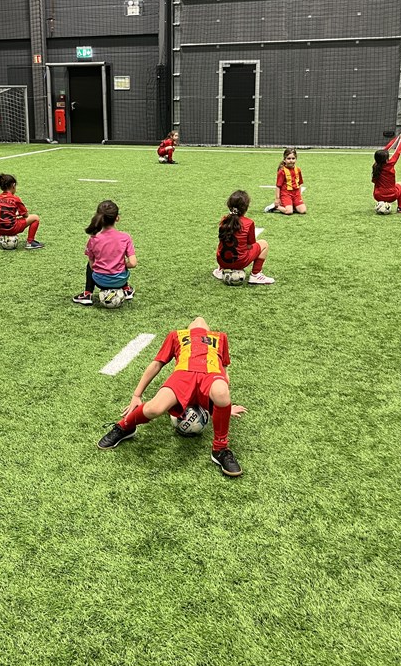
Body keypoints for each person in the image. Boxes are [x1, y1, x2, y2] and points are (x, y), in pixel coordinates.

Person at [97, 316, 246, 478]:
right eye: (194, 321)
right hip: (183, 376)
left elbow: (224, 371)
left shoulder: (221, 337)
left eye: (202, 322)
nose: (199, 320)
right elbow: (157, 363)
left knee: (222, 393)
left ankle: (220, 449)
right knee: (154, 408)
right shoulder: (176, 335)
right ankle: (125, 426)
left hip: (211, 375)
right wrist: (136, 394)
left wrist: (224, 405)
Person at [72, 200, 136, 305]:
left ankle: (87, 294)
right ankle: (127, 289)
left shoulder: (93, 239)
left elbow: (92, 265)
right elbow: (133, 263)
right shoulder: (125, 237)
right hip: (120, 281)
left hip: (100, 282)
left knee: (89, 264)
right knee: (120, 260)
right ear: (117, 218)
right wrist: (121, 264)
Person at [213, 189, 274, 285]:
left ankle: (220, 269)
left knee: (223, 243)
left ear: (229, 205)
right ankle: (256, 275)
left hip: (221, 260)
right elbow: (250, 246)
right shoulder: (249, 223)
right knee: (264, 244)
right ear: (246, 208)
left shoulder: (224, 220)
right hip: (240, 262)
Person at [0, 173, 43, 249]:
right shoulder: (15, 199)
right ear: (13, 185)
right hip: (12, 229)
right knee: (35, 218)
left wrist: (13, 214)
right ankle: (30, 242)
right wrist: (18, 214)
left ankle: (0, 238)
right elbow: (26, 215)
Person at [372, 132, 401, 213]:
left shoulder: (375, 166)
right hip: (392, 196)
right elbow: (397, 152)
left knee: (377, 185)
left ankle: (381, 203)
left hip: (377, 196)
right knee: (400, 184)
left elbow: (386, 149)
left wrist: (397, 138)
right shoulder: (390, 164)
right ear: (386, 159)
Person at [264, 148, 307, 214]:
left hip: (296, 194)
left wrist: (299, 196)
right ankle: (276, 207)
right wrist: (277, 199)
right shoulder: (282, 171)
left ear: (296, 159)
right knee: (289, 211)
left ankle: (292, 205)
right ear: (284, 160)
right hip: (286, 194)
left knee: (303, 211)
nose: (291, 160)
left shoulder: (298, 170)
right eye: (288, 158)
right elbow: (278, 186)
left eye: (293, 158)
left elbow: (300, 183)